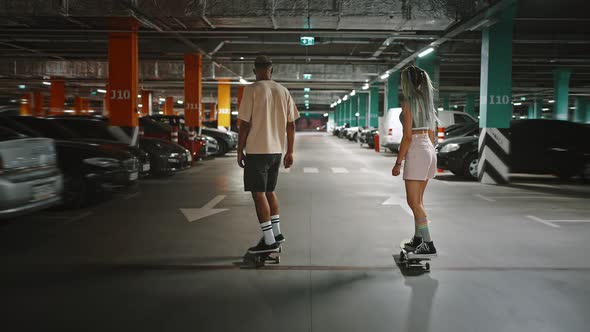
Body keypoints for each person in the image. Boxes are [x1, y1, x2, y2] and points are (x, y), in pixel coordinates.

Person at [237, 55, 300, 254]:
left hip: (257, 151)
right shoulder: (283, 91)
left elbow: (245, 124)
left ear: (255, 70)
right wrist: (290, 151)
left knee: (258, 194)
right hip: (276, 152)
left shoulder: (251, 89)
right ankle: (277, 233)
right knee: (270, 191)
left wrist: (239, 150)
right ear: (271, 70)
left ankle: (269, 241)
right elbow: (291, 125)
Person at [392, 65, 438, 257]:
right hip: (428, 148)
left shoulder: (408, 101)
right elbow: (432, 133)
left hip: (417, 149)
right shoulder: (426, 100)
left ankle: (428, 244)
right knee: (418, 201)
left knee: (413, 202)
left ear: (406, 81)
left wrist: (398, 162)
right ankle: (418, 240)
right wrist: (430, 151)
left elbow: (408, 136)